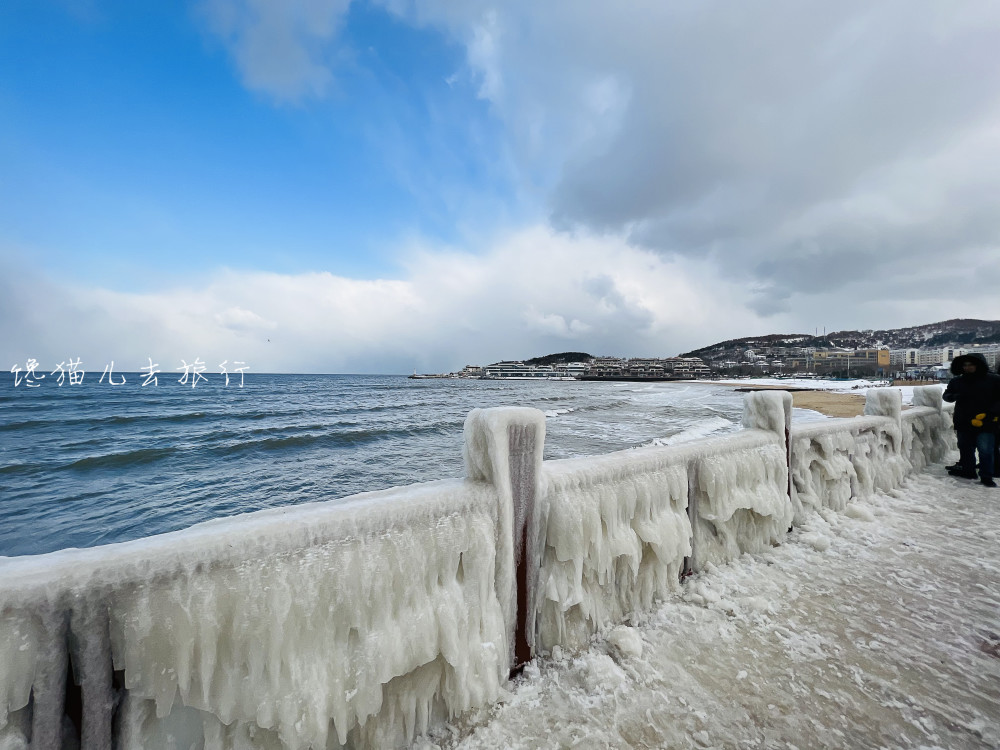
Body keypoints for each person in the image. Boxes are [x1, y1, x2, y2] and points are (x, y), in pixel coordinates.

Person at [943, 353, 1000, 487]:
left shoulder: (994, 380)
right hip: (964, 421)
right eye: (965, 365)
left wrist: (991, 414)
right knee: (965, 448)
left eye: (971, 365)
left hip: (986, 421)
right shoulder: (957, 381)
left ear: (979, 365)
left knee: (985, 450)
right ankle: (968, 471)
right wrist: (955, 395)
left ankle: (987, 476)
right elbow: (946, 395)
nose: (967, 368)